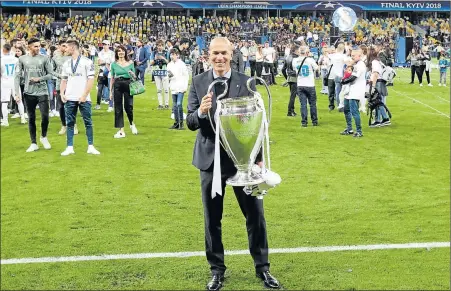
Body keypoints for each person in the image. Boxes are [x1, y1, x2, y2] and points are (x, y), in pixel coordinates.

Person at [186, 37, 281, 291]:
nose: (219, 58)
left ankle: (263, 269)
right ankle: (217, 271)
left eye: (224, 53)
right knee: (212, 219)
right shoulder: (198, 82)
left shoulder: (246, 82)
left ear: (232, 54)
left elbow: (257, 123)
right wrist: (201, 112)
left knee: (255, 216)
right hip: (210, 160)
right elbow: (189, 121)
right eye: (215, 53)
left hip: (243, 159)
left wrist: (259, 159)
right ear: (208, 55)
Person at [59, 40, 100, 156]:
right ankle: (69, 147)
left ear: (72, 48)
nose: (64, 49)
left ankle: (91, 146)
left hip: (84, 98)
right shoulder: (66, 63)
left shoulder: (87, 62)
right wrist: (62, 93)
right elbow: (64, 80)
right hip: (70, 97)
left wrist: (84, 95)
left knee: (88, 122)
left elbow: (91, 80)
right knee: (70, 123)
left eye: (66, 47)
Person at [14, 37, 54, 152]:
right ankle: (33, 143)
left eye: (39, 46)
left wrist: (39, 78)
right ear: (29, 47)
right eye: (35, 46)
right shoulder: (21, 59)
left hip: (43, 91)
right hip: (28, 93)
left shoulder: (45, 58)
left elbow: (50, 75)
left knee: (45, 116)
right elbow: (17, 77)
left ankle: (44, 137)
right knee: (31, 118)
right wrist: (17, 93)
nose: (38, 48)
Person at [109, 45, 137, 138]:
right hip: (117, 84)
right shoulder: (113, 64)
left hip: (128, 84)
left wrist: (132, 74)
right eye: (119, 51)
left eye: (122, 51)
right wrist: (110, 91)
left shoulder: (130, 63)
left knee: (128, 106)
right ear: (116, 53)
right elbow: (112, 78)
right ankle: (121, 130)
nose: (121, 52)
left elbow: (135, 77)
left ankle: (132, 123)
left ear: (125, 52)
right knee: (118, 108)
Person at [340, 49, 366, 138]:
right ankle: (349, 128)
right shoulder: (356, 64)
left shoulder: (360, 65)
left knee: (354, 111)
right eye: (352, 55)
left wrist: (343, 81)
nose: (352, 57)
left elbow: (353, 77)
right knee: (346, 109)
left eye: (354, 56)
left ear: (359, 56)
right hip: (350, 90)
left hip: (356, 91)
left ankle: (359, 131)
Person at [293, 46, 319, 127]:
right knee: (312, 104)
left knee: (303, 104)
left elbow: (295, 70)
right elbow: (317, 68)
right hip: (310, 84)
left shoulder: (295, 60)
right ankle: (314, 121)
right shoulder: (310, 60)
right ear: (306, 52)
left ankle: (304, 122)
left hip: (300, 84)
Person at [1, 43, 24, 126]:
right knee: (19, 100)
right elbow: (19, 71)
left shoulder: (1, 59)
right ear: (10, 50)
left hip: (5, 81)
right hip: (14, 81)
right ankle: (23, 118)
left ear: (3, 50)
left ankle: (5, 121)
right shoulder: (15, 59)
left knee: (4, 102)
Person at [167, 48, 189, 130]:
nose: (172, 56)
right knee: (175, 105)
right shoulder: (169, 65)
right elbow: (168, 75)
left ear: (177, 55)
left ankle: (181, 123)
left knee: (179, 104)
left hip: (180, 86)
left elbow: (186, 76)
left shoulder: (182, 64)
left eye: (173, 54)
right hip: (173, 86)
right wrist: (169, 76)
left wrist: (185, 87)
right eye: (171, 54)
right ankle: (176, 123)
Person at [151, 39, 170, 110]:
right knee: (159, 89)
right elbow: (150, 63)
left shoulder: (166, 53)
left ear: (164, 46)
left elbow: (169, 62)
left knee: (166, 89)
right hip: (156, 72)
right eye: (159, 46)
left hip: (165, 72)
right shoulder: (154, 53)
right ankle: (160, 104)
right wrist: (155, 59)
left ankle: (167, 104)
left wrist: (163, 58)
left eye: (161, 46)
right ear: (157, 46)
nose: (160, 47)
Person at [282, 44, 299, 117]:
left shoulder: (287, 57)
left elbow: (283, 70)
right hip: (295, 77)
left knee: (292, 95)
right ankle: (289, 111)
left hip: (289, 77)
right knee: (293, 96)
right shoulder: (296, 58)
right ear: (295, 50)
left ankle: (292, 110)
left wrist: (287, 78)